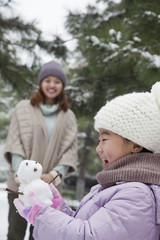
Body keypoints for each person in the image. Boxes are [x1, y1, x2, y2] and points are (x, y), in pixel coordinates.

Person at [14, 82, 160, 240]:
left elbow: (88, 236)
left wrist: (44, 216)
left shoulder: (137, 196)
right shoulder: (114, 187)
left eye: (104, 138)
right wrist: (57, 209)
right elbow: (84, 225)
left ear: (136, 144)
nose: (98, 148)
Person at [4, 60, 78, 240]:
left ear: (62, 85)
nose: (52, 85)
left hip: (48, 188)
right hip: (19, 185)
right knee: (15, 232)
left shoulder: (68, 116)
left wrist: (52, 175)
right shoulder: (23, 108)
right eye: (48, 80)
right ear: (40, 83)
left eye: (57, 81)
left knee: (40, 234)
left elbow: (70, 150)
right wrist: (22, 175)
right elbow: (15, 142)